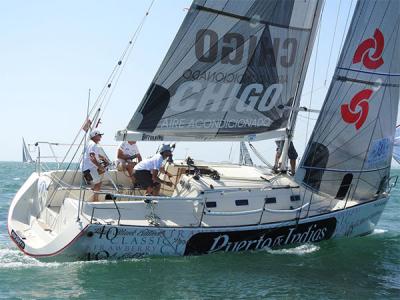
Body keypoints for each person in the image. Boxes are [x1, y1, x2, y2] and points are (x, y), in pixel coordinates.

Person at [82, 130, 106, 202]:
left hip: (86, 168)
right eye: (99, 135)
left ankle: (93, 186)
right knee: (99, 183)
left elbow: (93, 154)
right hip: (89, 169)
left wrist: (102, 157)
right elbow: (92, 158)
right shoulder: (93, 145)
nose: (101, 137)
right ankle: (95, 199)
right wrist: (99, 166)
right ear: (95, 136)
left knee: (102, 171)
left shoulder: (89, 143)